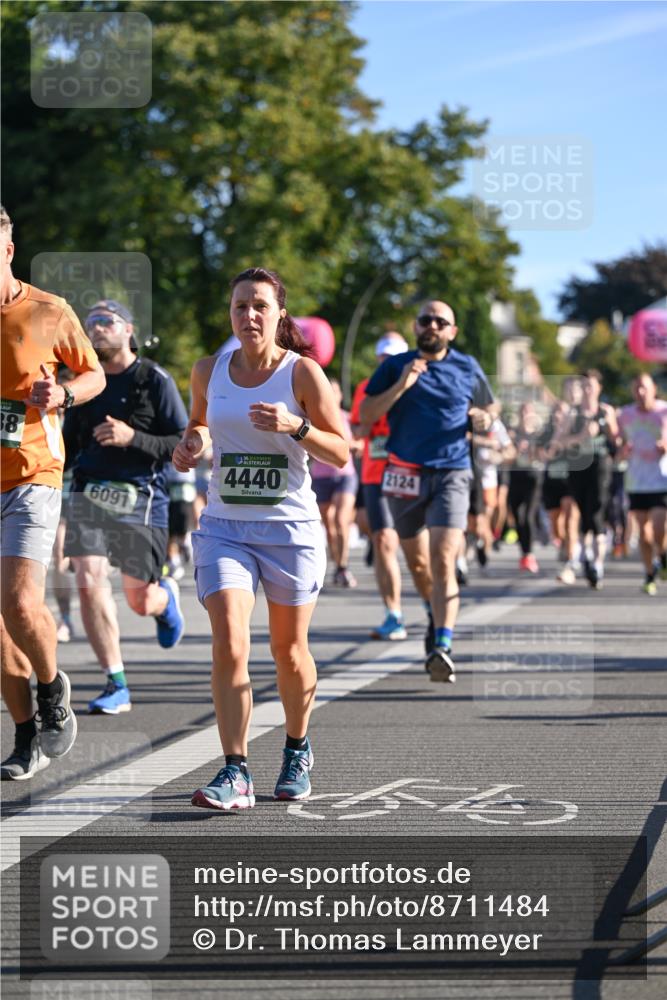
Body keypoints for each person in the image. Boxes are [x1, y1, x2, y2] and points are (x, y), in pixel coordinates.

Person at [173, 267, 348, 811]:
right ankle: (236, 771)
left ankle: (297, 748)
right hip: (225, 527)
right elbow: (200, 424)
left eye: (259, 306)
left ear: (279, 314)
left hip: (289, 531)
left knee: (288, 652)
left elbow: (342, 451)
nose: (248, 315)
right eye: (239, 306)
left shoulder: (303, 374)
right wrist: (192, 444)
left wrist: (296, 427)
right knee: (229, 641)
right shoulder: (208, 370)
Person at [0, 205, 105, 779]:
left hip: (32, 473)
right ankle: (25, 738)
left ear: (8, 251)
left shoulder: (47, 311)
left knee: (19, 604)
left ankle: (50, 686)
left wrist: (63, 394)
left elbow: (94, 375)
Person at [63, 300, 188, 714]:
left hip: (141, 495)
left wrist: (132, 437)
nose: (97, 329)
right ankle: (115, 682)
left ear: (129, 329)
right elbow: (67, 446)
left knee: (140, 601)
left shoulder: (153, 379)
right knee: (88, 578)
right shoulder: (84, 383)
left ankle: (164, 600)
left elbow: (183, 443)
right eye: (91, 323)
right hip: (89, 493)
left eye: (106, 321)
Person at [360, 299, 495, 682]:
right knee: (418, 564)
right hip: (404, 474)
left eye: (440, 321)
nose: (432, 325)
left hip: (452, 471)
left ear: (452, 331)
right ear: (416, 326)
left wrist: (485, 418)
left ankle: (442, 644)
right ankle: (434, 612)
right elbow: (366, 415)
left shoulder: (467, 366)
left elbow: (491, 407)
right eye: (425, 320)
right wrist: (402, 384)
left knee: (443, 557)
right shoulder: (395, 366)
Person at [350, 332, 411, 640]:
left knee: (420, 551)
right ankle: (393, 613)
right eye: (384, 357)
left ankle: (434, 607)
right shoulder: (365, 388)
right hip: (376, 473)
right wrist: (366, 426)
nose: (388, 362)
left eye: (394, 358)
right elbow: (357, 427)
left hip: (413, 472)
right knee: (384, 540)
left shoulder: (417, 385)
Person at [563, 370, 619, 589]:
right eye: (584, 385)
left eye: (591, 386)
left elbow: (616, 440)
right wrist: (582, 436)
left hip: (600, 467)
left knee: (596, 512)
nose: (587, 390)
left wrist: (611, 432)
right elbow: (560, 441)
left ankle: (597, 564)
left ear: (599, 388)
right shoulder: (573, 413)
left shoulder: (606, 411)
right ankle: (586, 557)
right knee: (583, 513)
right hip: (578, 468)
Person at [617, 374, 667, 596]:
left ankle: (663, 556)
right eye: (636, 388)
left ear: (654, 389)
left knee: (659, 529)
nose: (640, 392)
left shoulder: (664, 411)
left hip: (661, 479)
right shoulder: (625, 415)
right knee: (644, 534)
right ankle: (649, 574)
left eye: (644, 387)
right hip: (636, 481)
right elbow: (617, 443)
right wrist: (622, 450)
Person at [310, 376, 361, 588]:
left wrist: (352, 445)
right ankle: (337, 565)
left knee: (341, 520)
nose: (332, 395)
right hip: (321, 476)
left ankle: (343, 565)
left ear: (340, 395)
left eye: (335, 391)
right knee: (329, 527)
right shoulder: (314, 417)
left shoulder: (347, 418)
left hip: (345, 475)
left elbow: (362, 441)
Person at [507, 402, 544, 574]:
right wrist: (514, 450)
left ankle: (529, 554)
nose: (525, 415)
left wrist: (532, 451)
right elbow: (505, 456)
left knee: (528, 515)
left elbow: (545, 455)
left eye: (528, 412)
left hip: (533, 477)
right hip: (515, 477)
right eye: (522, 411)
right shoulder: (512, 434)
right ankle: (524, 553)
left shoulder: (539, 434)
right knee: (517, 516)